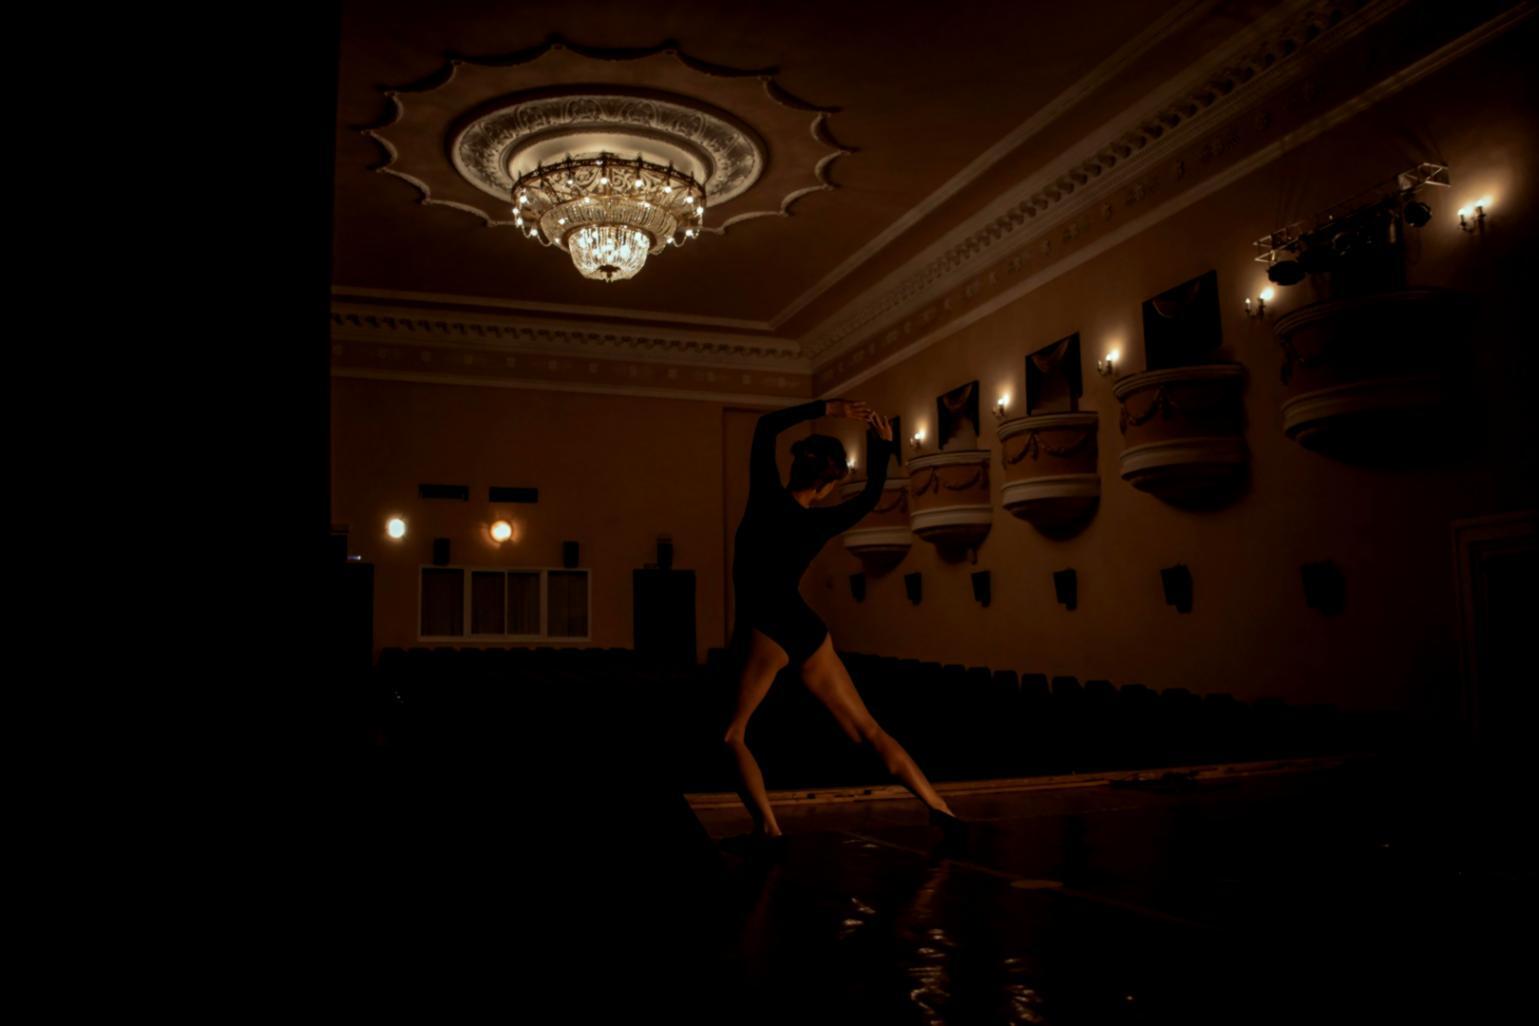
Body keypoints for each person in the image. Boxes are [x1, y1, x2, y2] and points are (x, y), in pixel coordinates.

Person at [721, 397, 966, 851]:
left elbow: (766, 426)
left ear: (798, 469)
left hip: (768, 628)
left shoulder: (765, 498)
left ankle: (769, 830)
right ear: (830, 485)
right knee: (868, 730)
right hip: (805, 627)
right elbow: (873, 494)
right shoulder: (823, 522)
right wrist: (882, 444)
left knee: (732, 734)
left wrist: (827, 407)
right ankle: (941, 808)